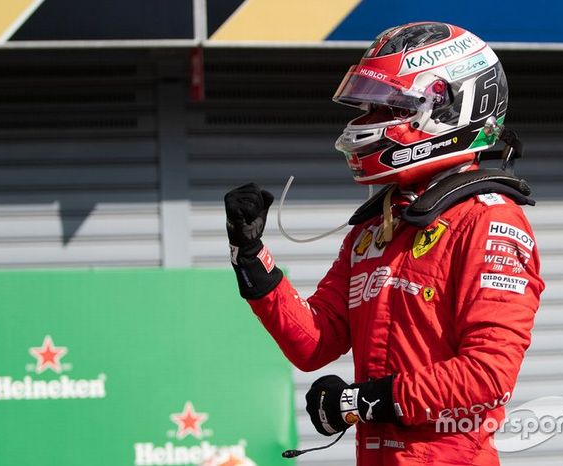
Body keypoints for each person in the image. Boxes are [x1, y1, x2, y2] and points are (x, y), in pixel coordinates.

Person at [224, 22, 544, 465]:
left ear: (445, 108)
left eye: (385, 108)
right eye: (368, 108)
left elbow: (488, 376)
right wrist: (252, 258)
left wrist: (361, 401)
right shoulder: (376, 226)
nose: (367, 122)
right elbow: (314, 343)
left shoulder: (488, 220)